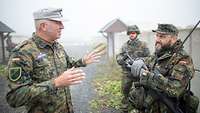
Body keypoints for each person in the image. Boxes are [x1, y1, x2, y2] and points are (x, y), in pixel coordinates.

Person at [6, 8, 104, 113]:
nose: (62, 26)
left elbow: (67, 62)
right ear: (43, 26)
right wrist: (56, 83)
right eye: (58, 22)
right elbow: (14, 97)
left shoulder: (57, 46)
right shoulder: (23, 53)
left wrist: (82, 61)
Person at [128, 24, 199, 113]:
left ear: (173, 38)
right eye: (157, 35)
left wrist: (146, 76)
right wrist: (140, 60)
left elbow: (175, 89)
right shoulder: (159, 54)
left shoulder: (183, 59)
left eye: (162, 36)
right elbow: (148, 61)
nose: (157, 39)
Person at [116, 25, 150, 113]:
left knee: (140, 91)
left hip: (138, 73)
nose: (132, 34)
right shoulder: (125, 46)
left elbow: (149, 58)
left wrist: (140, 61)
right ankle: (125, 108)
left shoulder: (143, 45)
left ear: (137, 34)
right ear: (128, 34)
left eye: (133, 33)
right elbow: (119, 57)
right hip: (127, 72)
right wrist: (122, 60)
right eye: (130, 33)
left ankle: (140, 108)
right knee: (125, 90)